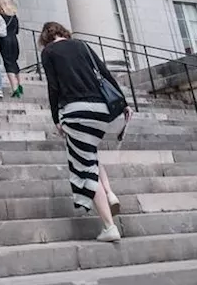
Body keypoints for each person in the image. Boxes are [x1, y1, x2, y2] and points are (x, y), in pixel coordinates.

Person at [39, 20, 133, 242]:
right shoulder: (82, 45)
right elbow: (105, 73)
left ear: (45, 38)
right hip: (101, 111)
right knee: (89, 153)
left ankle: (109, 226)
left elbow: (53, 86)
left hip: (76, 111)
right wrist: (124, 102)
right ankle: (109, 193)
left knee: (84, 167)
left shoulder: (49, 53)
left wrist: (56, 118)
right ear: (63, 32)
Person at [0, 0, 23, 98]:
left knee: (8, 63)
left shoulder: (0, 16)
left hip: (4, 40)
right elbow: (17, 30)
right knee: (14, 61)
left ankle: (15, 88)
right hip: (14, 40)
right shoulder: (14, 16)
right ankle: (19, 85)